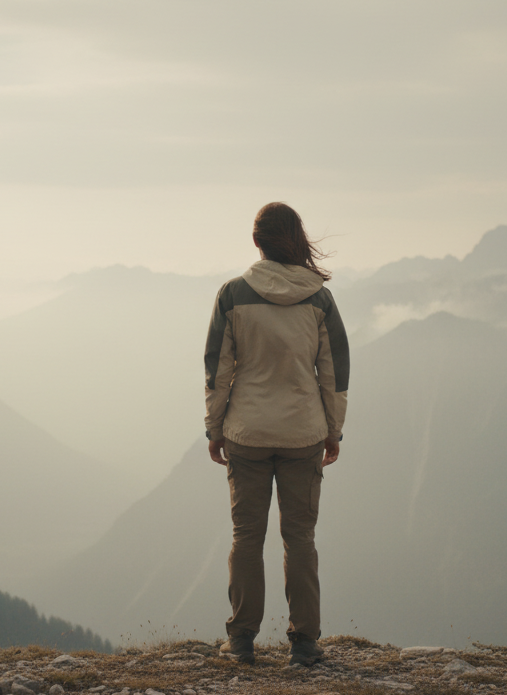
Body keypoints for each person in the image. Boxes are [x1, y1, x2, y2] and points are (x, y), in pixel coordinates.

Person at [203, 202, 350, 667]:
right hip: (303, 432)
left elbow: (217, 370)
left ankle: (241, 640)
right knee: (300, 538)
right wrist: (334, 429)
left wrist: (214, 427)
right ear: (297, 238)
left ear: (256, 242)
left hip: (246, 432)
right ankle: (304, 645)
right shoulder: (320, 299)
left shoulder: (232, 295)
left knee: (247, 536)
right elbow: (334, 372)